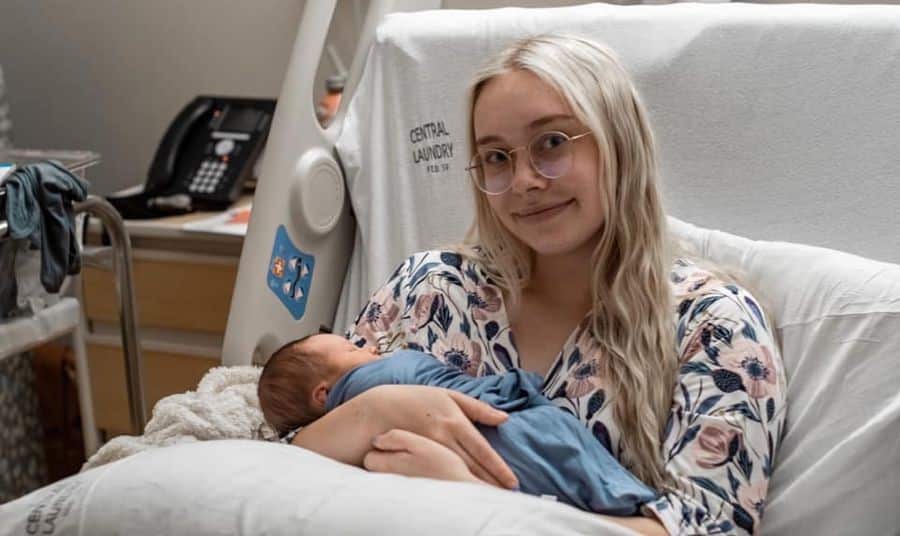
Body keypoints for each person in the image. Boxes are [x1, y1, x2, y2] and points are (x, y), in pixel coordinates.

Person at [287, 34, 787, 535]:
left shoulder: (714, 326)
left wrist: (478, 503)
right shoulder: (428, 293)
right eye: (498, 158)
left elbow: (707, 529)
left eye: (551, 143)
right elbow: (288, 457)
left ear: (619, 142)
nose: (523, 180)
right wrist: (377, 411)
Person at [258, 332, 658, 515]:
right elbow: (285, 458)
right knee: (551, 445)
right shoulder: (372, 376)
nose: (371, 344)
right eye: (353, 347)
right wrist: (372, 410)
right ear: (324, 396)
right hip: (509, 436)